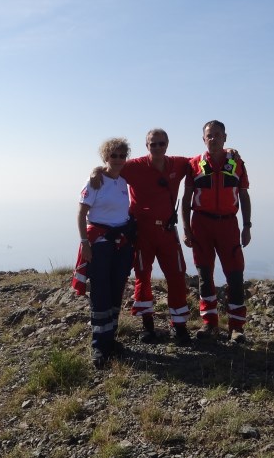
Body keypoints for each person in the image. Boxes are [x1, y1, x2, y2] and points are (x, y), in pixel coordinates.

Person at [91, 129, 193, 344]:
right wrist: (96, 170)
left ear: (167, 144)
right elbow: (112, 166)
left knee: (176, 275)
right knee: (142, 276)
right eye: (153, 144)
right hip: (141, 231)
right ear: (147, 146)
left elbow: (201, 161)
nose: (157, 147)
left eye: (161, 143)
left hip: (167, 231)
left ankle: (180, 326)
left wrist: (229, 152)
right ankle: (147, 326)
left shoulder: (178, 164)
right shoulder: (134, 166)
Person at [181, 120, 251, 343]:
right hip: (201, 224)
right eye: (209, 135)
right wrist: (186, 229)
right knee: (205, 275)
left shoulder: (237, 162)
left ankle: (236, 327)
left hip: (228, 225)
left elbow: (244, 195)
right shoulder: (194, 164)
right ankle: (210, 323)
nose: (213, 139)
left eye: (217, 135)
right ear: (203, 139)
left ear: (225, 137)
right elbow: (186, 199)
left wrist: (247, 226)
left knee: (235, 275)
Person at [72, 137, 135, 369]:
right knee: (100, 291)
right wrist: (85, 243)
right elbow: (81, 214)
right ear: (105, 157)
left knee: (117, 289)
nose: (118, 159)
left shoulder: (124, 181)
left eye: (121, 155)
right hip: (99, 243)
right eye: (113, 155)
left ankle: (111, 339)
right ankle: (99, 345)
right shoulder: (95, 182)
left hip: (121, 243)